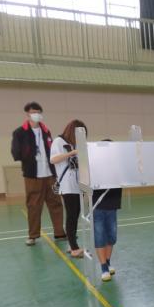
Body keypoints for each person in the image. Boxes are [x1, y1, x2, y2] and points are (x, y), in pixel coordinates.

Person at [11, 101, 65, 246]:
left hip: (50, 175)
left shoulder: (46, 131)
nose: (36, 114)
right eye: (33, 112)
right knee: (34, 206)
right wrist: (29, 153)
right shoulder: (19, 133)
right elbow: (15, 153)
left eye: (38, 112)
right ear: (27, 114)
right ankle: (33, 235)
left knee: (56, 203)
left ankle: (60, 232)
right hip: (32, 176)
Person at [50, 120, 85, 258]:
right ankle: (74, 247)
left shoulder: (74, 144)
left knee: (75, 215)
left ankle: (72, 244)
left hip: (78, 184)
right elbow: (53, 159)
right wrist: (72, 153)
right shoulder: (58, 141)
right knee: (71, 215)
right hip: (67, 185)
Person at [92, 139, 122, 282]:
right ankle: (103, 267)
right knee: (100, 237)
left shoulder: (118, 165)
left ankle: (108, 262)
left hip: (113, 205)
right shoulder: (96, 165)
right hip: (98, 205)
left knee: (112, 236)